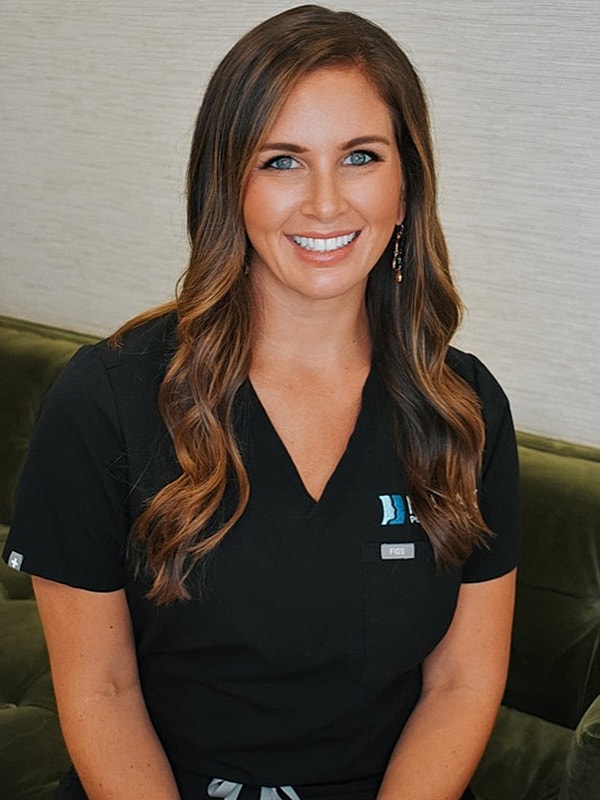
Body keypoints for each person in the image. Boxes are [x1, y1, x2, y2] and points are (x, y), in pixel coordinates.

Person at [3, 5, 519, 799]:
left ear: (407, 181)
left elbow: (461, 685)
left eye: (360, 156)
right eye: (281, 160)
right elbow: (99, 690)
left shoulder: (465, 406)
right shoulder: (106, 397)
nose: (324, 203)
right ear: (227, 182)